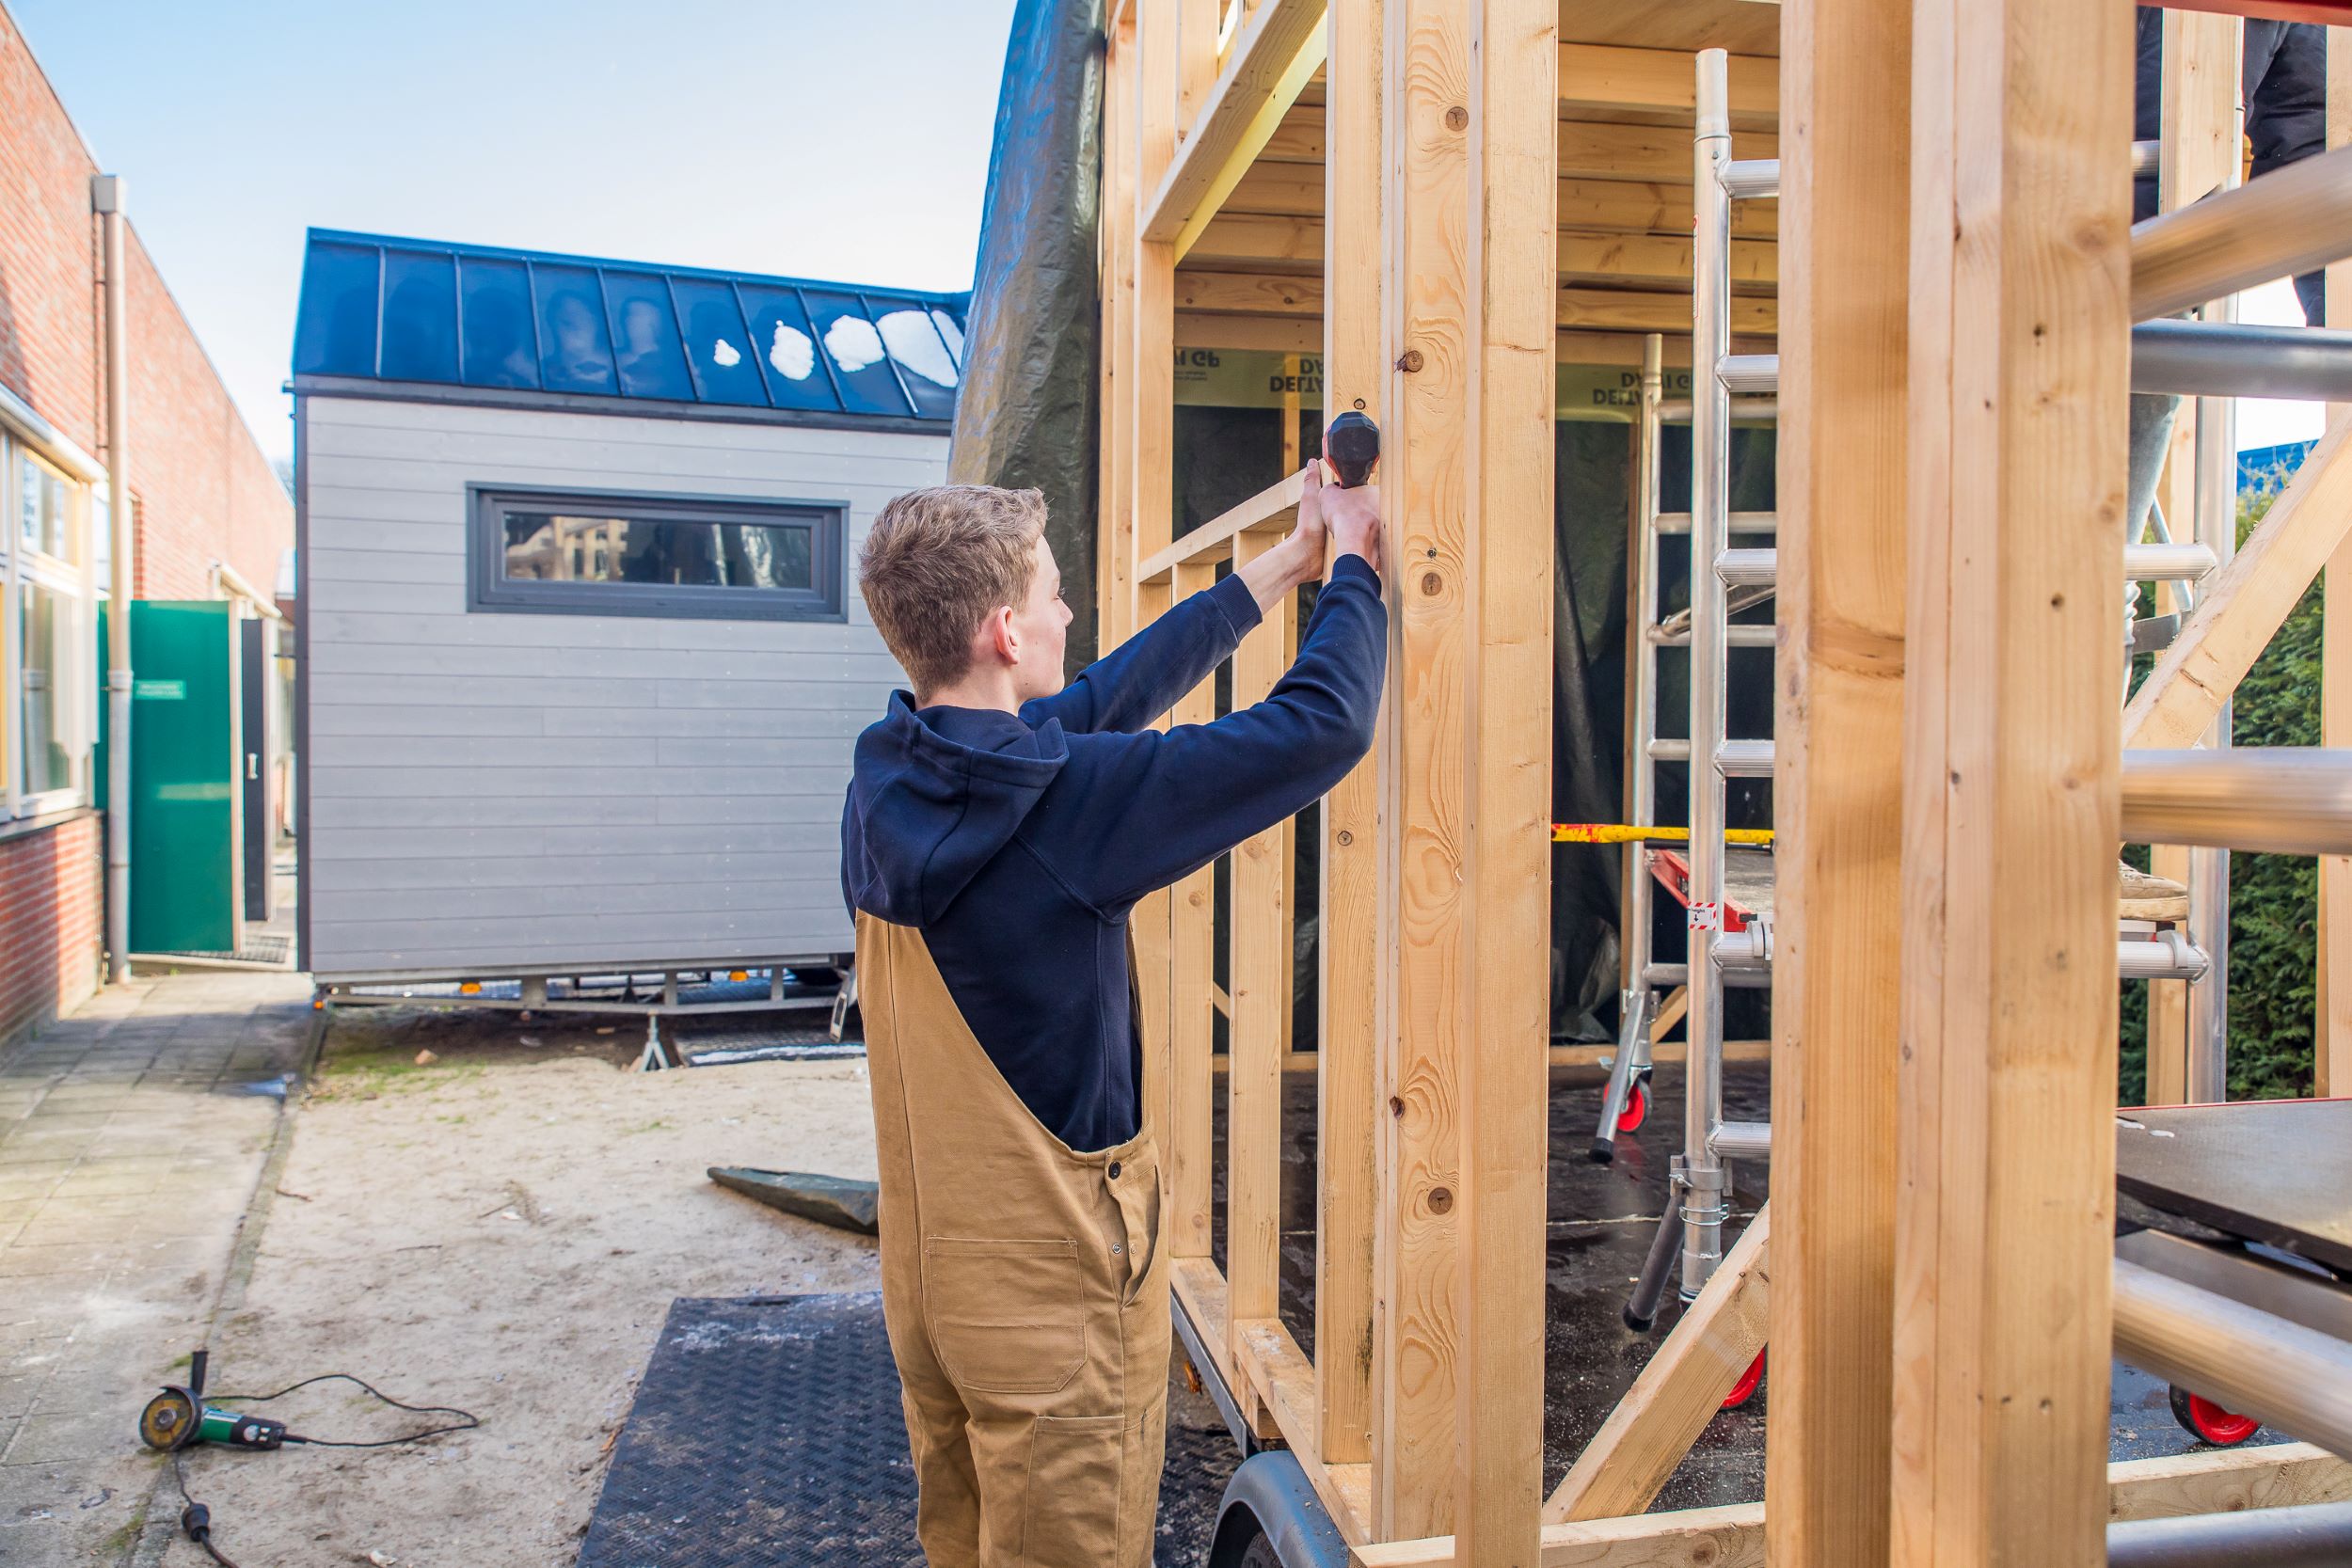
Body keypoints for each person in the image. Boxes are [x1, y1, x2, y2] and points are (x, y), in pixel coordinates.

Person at [840, 458, 1385, 1567]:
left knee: (966, 1541)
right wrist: (1358, 576)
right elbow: (1322, 725)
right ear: (1001, 631)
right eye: (1050, 594)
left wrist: (1277, 569)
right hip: (1052, 1311)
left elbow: (1087, 707)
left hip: (934, 1283)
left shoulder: (889, 774)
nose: (1069, 612)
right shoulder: (1067, 813)